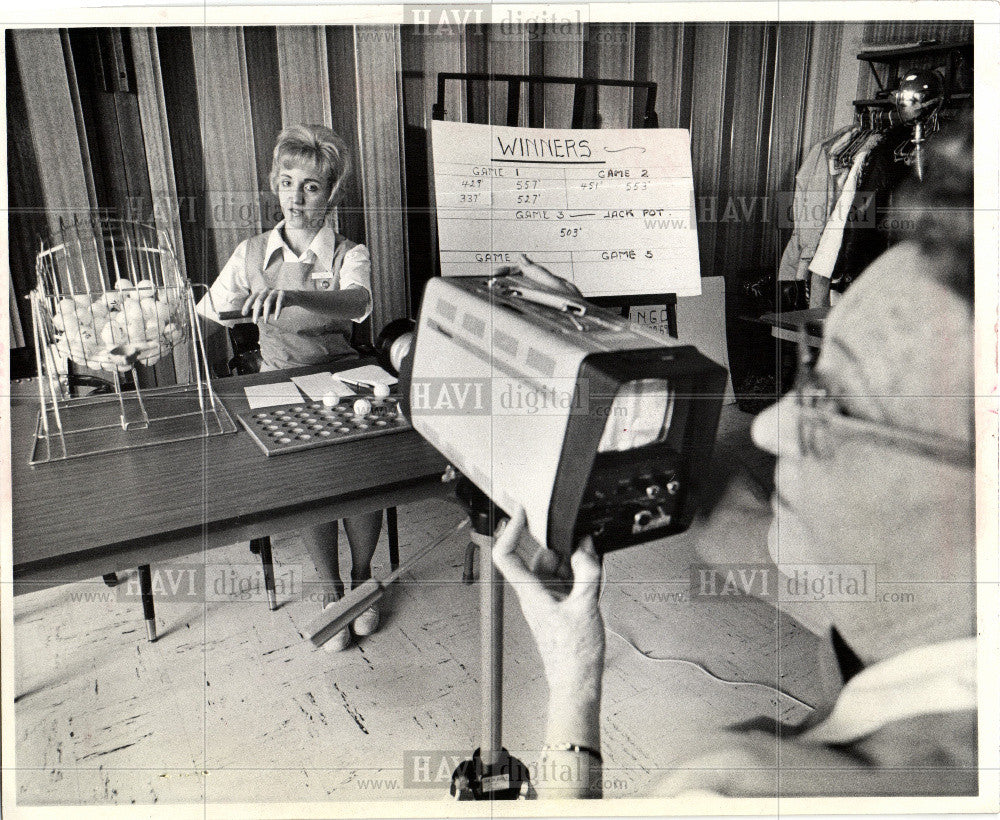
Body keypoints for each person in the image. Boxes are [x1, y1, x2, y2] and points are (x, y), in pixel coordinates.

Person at [491, 116, 978, 797]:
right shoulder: (939, 608)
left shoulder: (740, 791)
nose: (773, 427)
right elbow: (734, 520)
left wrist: (574, 687)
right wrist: (593, 338)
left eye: (832, 401)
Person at [197, 124, 383, 651]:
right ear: (274, 185)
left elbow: (358, 302)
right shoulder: (251, 252)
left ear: (332, 194)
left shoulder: (349, 251)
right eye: (287, 182)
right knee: (308, 484)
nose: (297, 198)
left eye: (311, 186)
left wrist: (297, 297)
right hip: (279, 379)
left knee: (362, 476)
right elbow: (209, 311)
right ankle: (331, 590)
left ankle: (365, 577)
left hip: (345, 376)